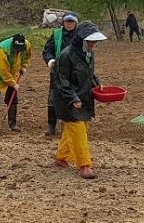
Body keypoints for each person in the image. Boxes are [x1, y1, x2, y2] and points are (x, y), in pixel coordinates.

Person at [52, 21, 106, 179]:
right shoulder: (66, 55)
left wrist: (97, 82)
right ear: (81, 40)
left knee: (77, 128)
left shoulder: (88, 53)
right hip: (68, 100)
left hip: (83, 98)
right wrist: (73, 98)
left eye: (95, 42)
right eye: (91, 41)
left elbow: (89, 72)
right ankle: (84, 165)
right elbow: (62, 81)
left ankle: (61, 158)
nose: (93, 44)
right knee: (78, 130)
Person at [41, 11, 78, 136]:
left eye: (71, 21)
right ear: (63, 22)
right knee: (53, 98)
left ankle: (69, 124)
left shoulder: (80, 35)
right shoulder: (56, 34)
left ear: (75, 22)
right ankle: (51, 125)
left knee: (73, 97)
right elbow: (47, 50)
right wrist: (50, 60)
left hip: (75, 72)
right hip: (57, 71)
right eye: (67, 21)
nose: (69, 23)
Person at [0, 33, 32, 131]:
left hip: (13, 72)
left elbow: (28, 55)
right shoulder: (1, 50)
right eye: (16, 49)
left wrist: (24, 66)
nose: (17, 52)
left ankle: (12, 124)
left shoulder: (27, 44)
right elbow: (3, 71)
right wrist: (13, 83)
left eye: (20, 50)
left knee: (13, 99)